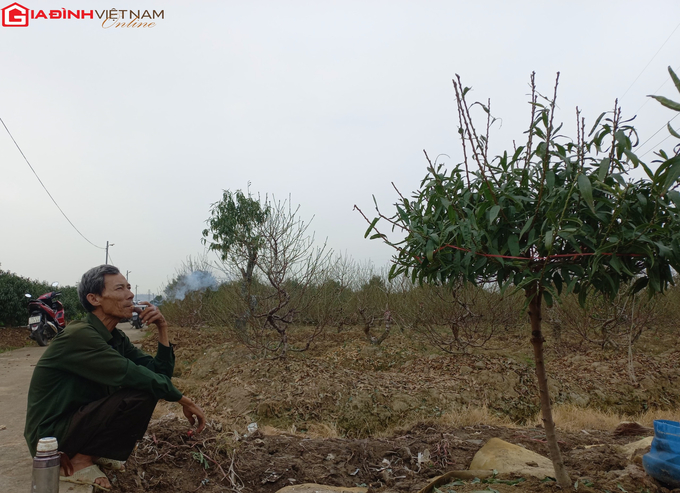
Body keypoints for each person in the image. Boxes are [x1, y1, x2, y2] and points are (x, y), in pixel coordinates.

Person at [24, 264, 206, 490]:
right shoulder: (79, 336)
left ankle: (88, 452)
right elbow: (134, 375)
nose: (130, 294)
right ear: (94, 299)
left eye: (129, 288)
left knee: (149, 387)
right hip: (50, 439)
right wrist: (183, 399)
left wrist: (162, 327)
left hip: (77, 423)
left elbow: (160, 374)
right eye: (120, 288)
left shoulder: (116, 337)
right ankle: (77, 461)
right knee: (140, 391)